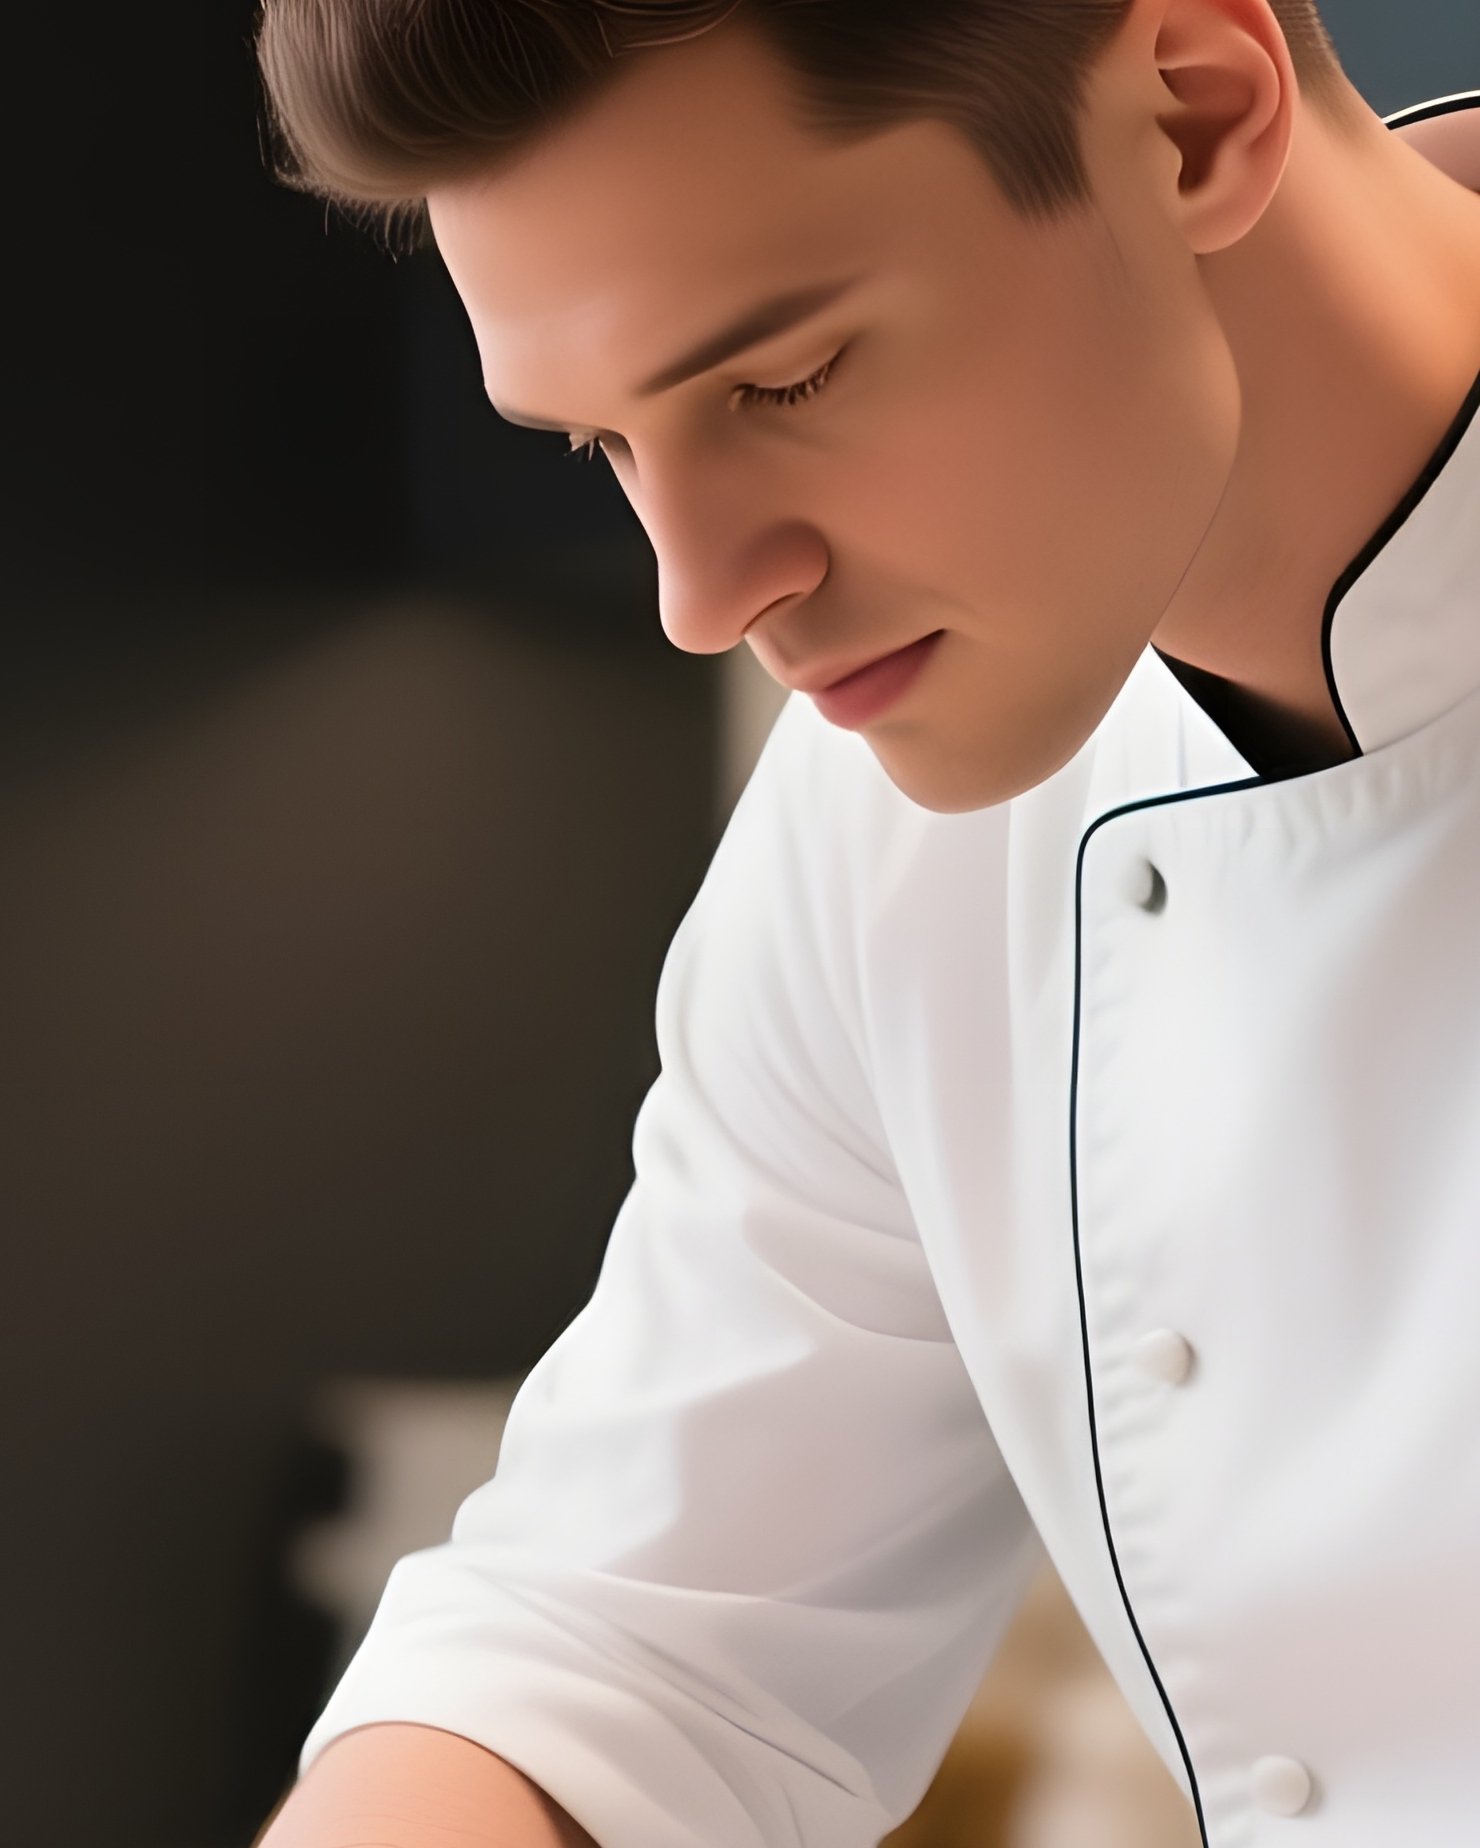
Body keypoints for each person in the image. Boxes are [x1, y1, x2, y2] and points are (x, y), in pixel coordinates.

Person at [247, 1, 1480, 1843]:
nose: (703, 590)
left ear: (1193, 116)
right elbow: (630, 1658)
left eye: (787, 379)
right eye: (603, 444)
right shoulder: (893, 829)